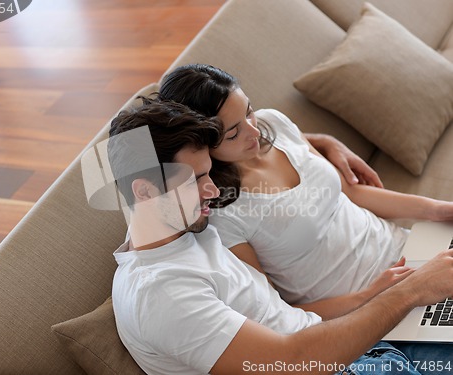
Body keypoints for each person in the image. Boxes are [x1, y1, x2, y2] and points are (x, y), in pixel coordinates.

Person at [107, 98, 453, 375]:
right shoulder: (163, 295)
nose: (212, 190)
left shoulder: (170, 224)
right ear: (145, 192)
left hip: (353, 344)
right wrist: (412, 290)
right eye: (195, 179)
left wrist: (319, 142)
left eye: (206, 173)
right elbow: (290, 362)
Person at [158, 63, 453, 319]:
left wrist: (440, 210)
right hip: (375, 307)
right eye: (234, 132)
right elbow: (279, 312)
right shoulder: (222, 214)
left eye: (249, 112)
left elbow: (353, 194)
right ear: (202, 142)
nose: (254, 131)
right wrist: (371, 298)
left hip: (409, 250)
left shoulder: (275, 123)